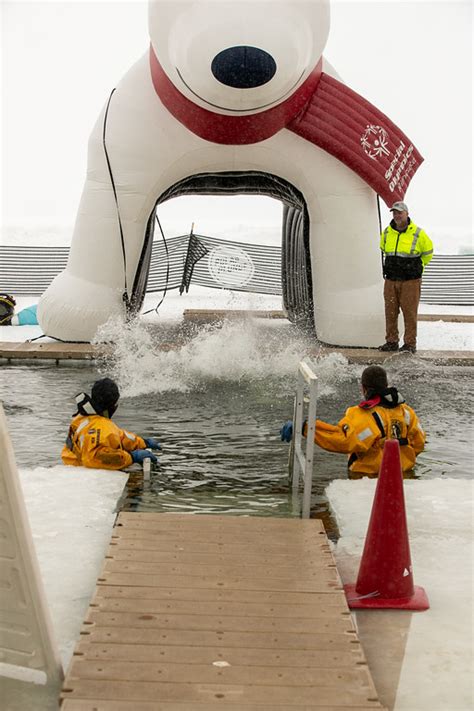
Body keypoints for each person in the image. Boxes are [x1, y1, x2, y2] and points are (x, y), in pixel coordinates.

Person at [280, 365, 425, 478]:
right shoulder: (406, 412)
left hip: (367, 478)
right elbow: (419, 443)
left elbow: (342, 440)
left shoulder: (363, 414)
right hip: (403, 476)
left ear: (363, 388)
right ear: (386, 384)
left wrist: (306, 427)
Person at [62, 377, 161, 470]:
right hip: (82, 472)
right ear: (113, 405)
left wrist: (142, 442)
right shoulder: (101, 425)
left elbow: (117, 435)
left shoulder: (82, 417)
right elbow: (94, 457)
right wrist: (131, 457)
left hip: (70, 465)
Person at [378, 201, 433, 354]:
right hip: (390, 280)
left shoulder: (418, 233)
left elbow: (428, 253)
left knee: (409, 313)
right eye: (394, 213)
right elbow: (382, 249)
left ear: (407, 214)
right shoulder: (387, 232)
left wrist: (416, 267)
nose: (397, 215)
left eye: (400, 212)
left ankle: (409, 344)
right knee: (390, 311)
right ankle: (391, 341)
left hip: (410, 281)